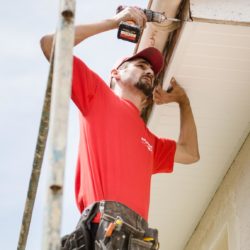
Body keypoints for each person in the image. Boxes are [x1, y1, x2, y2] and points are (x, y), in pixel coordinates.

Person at [40, 6, 199, 250]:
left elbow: (190, 152)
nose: (148, 70)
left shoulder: (150, 141)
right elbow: (51, 44)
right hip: (101, 232)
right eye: (140, 65)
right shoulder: (97, 96)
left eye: (151, 71)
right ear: (116, 73)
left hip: (136, 240)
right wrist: (114, 22)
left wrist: (183, 101)